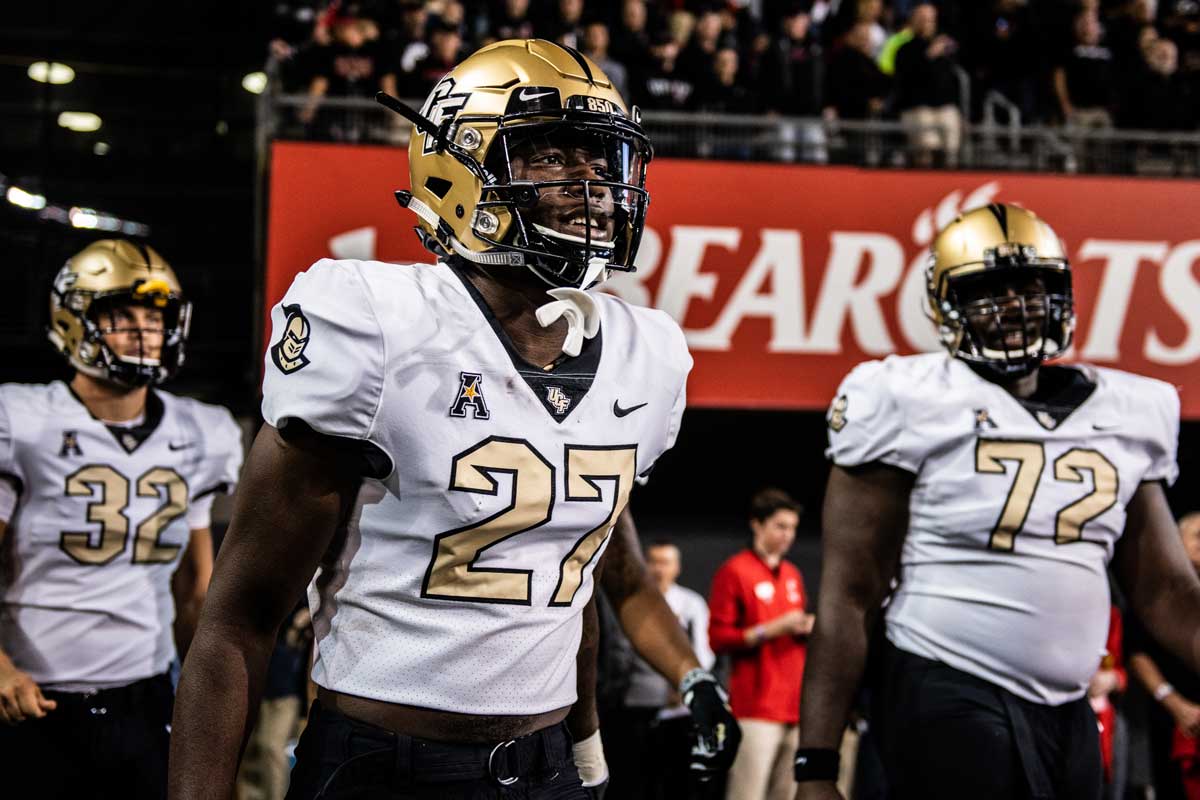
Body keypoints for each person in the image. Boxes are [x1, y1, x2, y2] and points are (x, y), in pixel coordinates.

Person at [169, 39, 739, 799]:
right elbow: (239, 620)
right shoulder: (375, 323)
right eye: (553, 157)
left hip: (543, 767)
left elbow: (579, 582)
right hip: (383, 763)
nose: (593, 184)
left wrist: (589, 749)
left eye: (601, 161)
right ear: (457, 167)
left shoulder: (647, 351)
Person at [795, 204, 1197, 800]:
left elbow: (1166, 590)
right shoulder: (905, 396)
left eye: (1032, 286)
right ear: (944, 302)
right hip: (944, 682)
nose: (1015, 305)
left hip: (1069, 705)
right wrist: (817, 765)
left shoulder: (1128, 409)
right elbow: (848, 594)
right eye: (989, 290)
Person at [0, 239, 243, 798]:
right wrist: (2, 669)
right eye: (120, 316)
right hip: (34, 696)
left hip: (146, 696)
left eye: (154, 319)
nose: (142, 333)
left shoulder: (201, 432)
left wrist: (205, 705)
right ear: (73, 319)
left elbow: (195, 589)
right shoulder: (23, 420)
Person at [711, 488, 813, 800]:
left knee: (787, 794)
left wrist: (807, 627)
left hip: (794, 707)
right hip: (755, 707)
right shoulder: (735, 570)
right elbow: (717, 639)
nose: (788, 535)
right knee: (747, 794)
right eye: (780, 526)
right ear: (757, 524)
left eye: (793, 528)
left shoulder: (792, 574)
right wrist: (769, 630)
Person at [606, 540, 715, 799]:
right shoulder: (632, 603)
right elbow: (618, 651)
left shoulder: (691, 603)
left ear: (676, 567)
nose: (658, 568)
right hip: (638, 701)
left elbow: (704, 651)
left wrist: (684, 682)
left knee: (677, 780)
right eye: (653, 561)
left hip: (680, 706)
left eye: (665, 562)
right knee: (636, 778)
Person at [1129, 512, 1200, 800]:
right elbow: (1136, 653)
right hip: (1171, 723)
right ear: (1175, 542)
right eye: (1198, 536)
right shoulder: (1157, 593)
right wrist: (1175, 703)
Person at [893, 2, 962, 167]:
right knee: (927, 148)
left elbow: (953, 78)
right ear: (913, 21)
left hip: (943, 106)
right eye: (922, 19)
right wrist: (928, 55)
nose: (927, 24)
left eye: (930, 20)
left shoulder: (945, 49)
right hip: (917, 107)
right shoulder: (904, 50)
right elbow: (906, 79)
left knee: (951, 144)